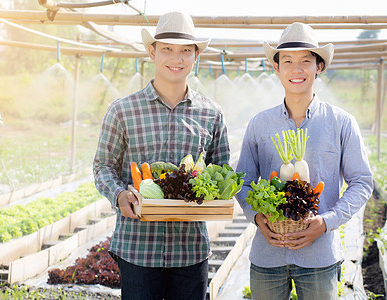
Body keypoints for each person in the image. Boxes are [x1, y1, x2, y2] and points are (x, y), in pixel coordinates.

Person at [93, 11, 230, 300]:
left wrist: (216, 196)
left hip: (190, 250)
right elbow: (102, 166)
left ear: (196, 57)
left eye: (185, 51)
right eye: (167, 49)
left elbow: (222, 172)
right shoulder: (122, 111)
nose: (176, 58)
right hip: (138, 247)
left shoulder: (211, 114)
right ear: (152, 52)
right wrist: (118, 194)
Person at [235, 22, 373, 299]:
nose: (296, 69)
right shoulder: (260, 124)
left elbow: (361, 182)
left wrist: (328, 221)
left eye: (305, 61)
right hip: (267, 256)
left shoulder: (341, 122)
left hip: (320, 258)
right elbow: (244, 181)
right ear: (276, 68)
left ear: (319, 67)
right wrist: (257, 217)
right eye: (287, 61)